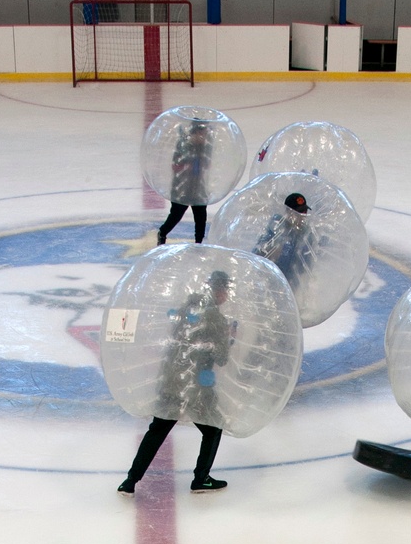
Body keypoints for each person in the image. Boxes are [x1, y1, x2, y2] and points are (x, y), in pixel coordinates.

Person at [118, 270, 234, 495]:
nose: (226, 294)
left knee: (158, 430)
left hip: (171, 379)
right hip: (195, 386)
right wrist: (230, 337)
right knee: (213, 427)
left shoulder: (187, 309)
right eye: (226, 289)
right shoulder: (217, 319)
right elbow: (221, 357)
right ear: (219, 290)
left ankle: (130, 481)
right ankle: (201, 478)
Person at [158, 121, 212, 245]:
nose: (205, 137)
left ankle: (199, 243)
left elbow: (207, 165)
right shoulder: (183, 145)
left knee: (201, 217)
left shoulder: (206, 146)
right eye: (202, 134)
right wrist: (189, 161)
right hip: (182, 187)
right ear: (196, 133)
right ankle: (162, 232)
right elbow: (175, 166)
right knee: (176, 215)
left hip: (198, 187)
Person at [251, 193, 316, 291]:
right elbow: (257, 254)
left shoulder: (306, 234)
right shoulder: (276, 228)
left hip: (292, 288)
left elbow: (306, 265)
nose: (303, 216)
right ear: (288, 211)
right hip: (269, 284)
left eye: (305, 212)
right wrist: (271, 252)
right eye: (299, 213)